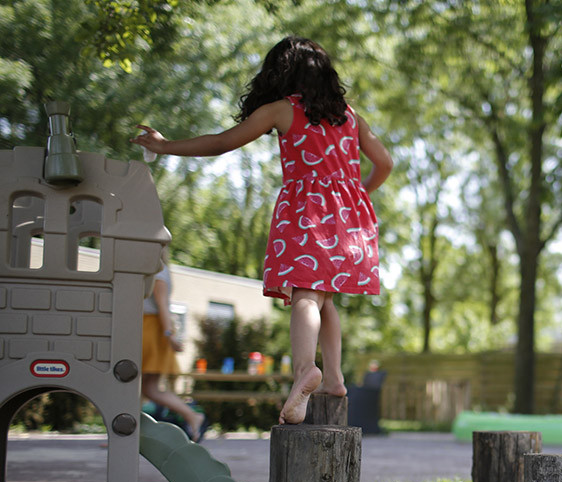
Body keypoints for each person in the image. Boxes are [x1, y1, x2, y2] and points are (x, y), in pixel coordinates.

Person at [133, 36, 393, 424]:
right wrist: (352, 198)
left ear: (279, 73)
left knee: (305, 294)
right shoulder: (350, 117)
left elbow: (222, 143)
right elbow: (385, 163)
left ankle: (306, 369)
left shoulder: (282, 110)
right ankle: (335, 378)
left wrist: (165, 145)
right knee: (325, 297)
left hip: (307, 214)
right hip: (350, 219)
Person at [142, 254, 209, 441]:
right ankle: (192, 416)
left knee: (145, 387)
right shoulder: (158, 268)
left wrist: (168, 334)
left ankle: (192, 416)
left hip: (149, 329)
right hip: (150, 328)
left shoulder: (157, 268)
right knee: (147, 388)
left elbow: (162, 304)